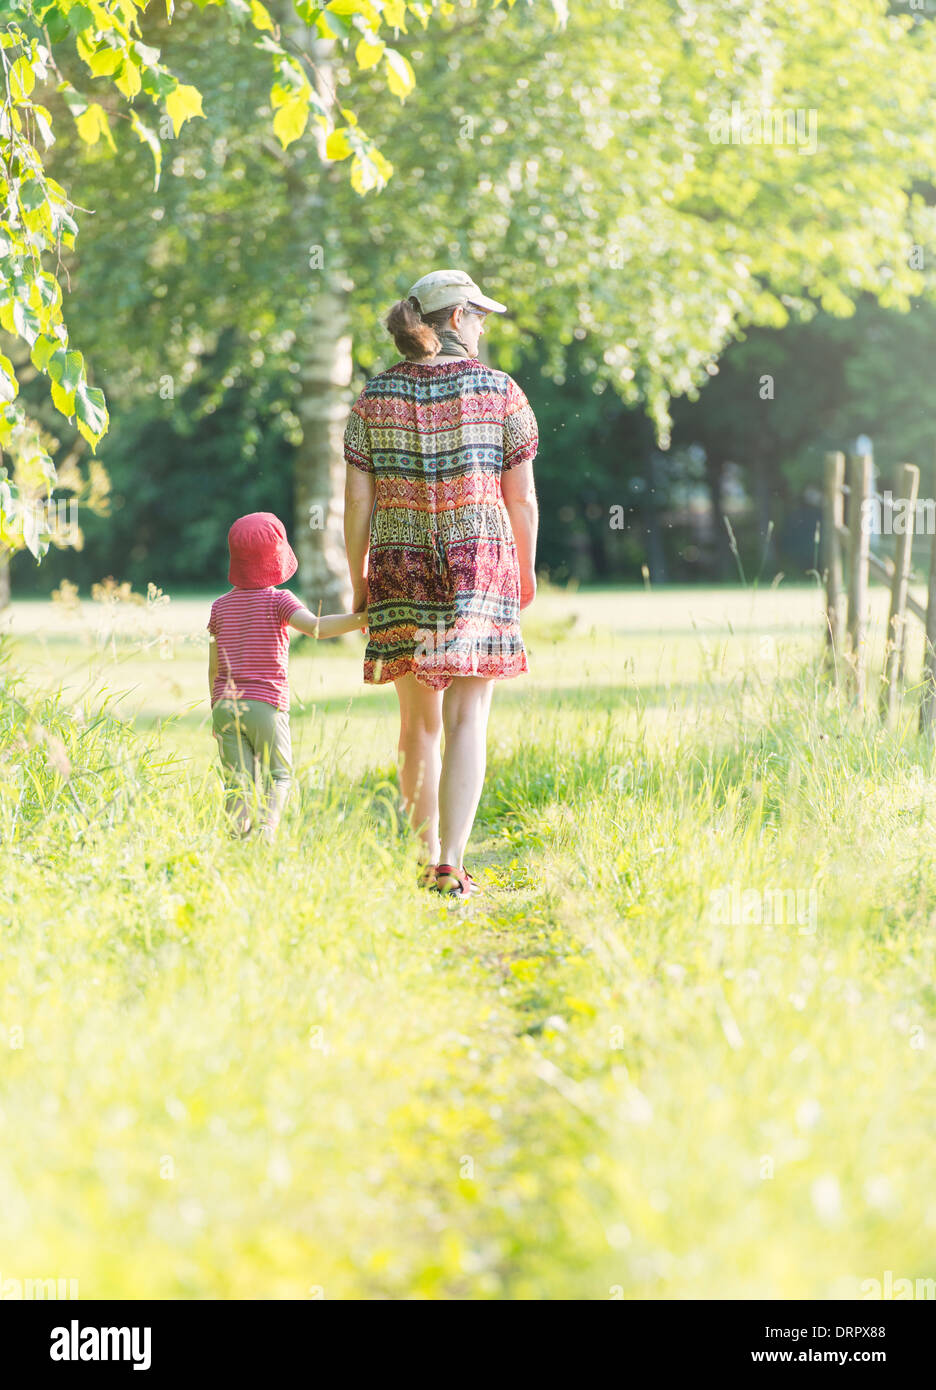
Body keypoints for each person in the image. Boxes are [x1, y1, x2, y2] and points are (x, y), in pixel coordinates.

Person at [343, 269, 539, 896]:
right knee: (467, 717)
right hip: (478, 561)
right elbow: (523, 499)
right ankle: (451, 862)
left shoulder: (373, 400)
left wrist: (360, 580)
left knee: (417, 723)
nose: (484, 326)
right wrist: (526, 570)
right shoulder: (500, 392)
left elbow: (356, 507)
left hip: (400, 565)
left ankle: (421, 855)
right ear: (456, 318)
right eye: (480, 314)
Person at [208, 512, 364, 841]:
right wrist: (361, 618)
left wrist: (215, 711)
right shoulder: (279, 600)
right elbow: (317, 627)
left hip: (224, 705)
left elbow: (214, 667)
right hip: (265, 704)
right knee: (278, 775)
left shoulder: (219, 607)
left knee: (237, 783)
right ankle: (264, 834)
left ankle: (237, 841)